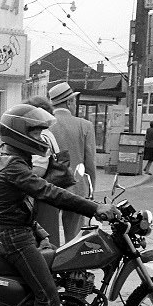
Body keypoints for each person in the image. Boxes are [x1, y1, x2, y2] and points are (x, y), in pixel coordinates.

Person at [0, 103, 121, 306]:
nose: (42, 135)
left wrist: (41, 232)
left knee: (55, 274)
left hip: (16, 232)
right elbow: (49, 192)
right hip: (13, 238)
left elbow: (17, 204)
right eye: (35, 130)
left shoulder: (14, 160)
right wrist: (95, 207)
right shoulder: (14, 165)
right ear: (20, 132)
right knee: (47, 296)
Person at [48, 82, 97, 243]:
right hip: (76, 188)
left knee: (49, 236)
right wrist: (90, 192)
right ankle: (72, 267)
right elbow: (90, 164)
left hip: (49, 189)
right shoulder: (85, 126)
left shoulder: (45, 125)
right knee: (74, 238)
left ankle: (51, 266)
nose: (75, 104)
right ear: (69, 102)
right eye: (74, 101)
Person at [24, 95, 62, 244]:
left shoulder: (42, 137)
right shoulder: (47, 134)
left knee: (44, 243)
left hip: (40, 197)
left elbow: (39, 169)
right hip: (46, 195)